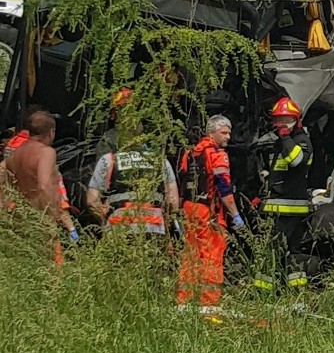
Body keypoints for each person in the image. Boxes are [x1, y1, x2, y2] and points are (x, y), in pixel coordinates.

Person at [176, 115, 246, 308]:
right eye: (223, 132)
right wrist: (235, 214)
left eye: (229, 132)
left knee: (190, 254)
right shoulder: (217, 154)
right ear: (211, 133)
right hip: (208, 210)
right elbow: (224, 188)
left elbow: (182, 181)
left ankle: (184, 300)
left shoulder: (189, 153)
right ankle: (209, 303)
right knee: (212, 255)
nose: (228, 137)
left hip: (188, 209)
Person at [255, 96, 313, 291]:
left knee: (277, 249)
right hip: (277, 207)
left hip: (291, 207)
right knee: (285, 251)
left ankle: (265, 290)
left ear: (296, 120)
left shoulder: (302, 141)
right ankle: (290, 290)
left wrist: (286, 137)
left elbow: (296, 161)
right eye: (278, 120)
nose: (281, 124)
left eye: (286, 120)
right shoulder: (279, 143)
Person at [5, 110, 79, 254]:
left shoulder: (17, 153)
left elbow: (2, 172)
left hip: (22, 218)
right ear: (51, 132)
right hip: (42, 220)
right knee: (53, 269)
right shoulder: (46, 152)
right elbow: (44, 185)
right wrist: (54, 216)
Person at [86, 141, 179, 234]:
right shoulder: (159, 160)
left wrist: (104, 221)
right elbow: (172, 201)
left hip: (118, 227)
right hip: (154, 227)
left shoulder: (109, 160)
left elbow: (92, 201)